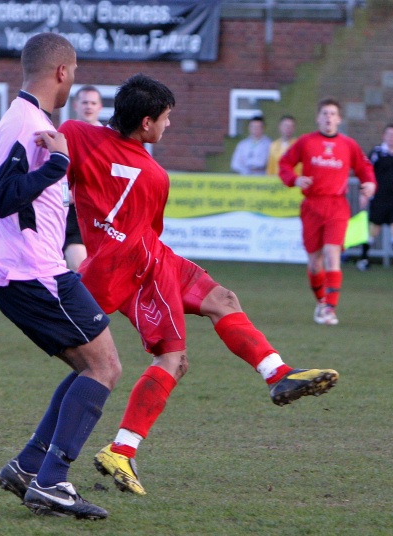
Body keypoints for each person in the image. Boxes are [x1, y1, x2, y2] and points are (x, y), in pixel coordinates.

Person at [58, 75, 339, 497]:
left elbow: (53, 150)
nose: (170, 126)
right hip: (138, 269)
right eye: (167, 118)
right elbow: (144, 229)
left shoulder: (76, 133)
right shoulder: (153, 176)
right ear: (147, 122)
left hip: (152, 256)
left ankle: (277, 374)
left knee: (224, 299)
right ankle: (121, 450)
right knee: (173, 359)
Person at [0, 33, 121, 520]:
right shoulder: (28, 123)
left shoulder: (22, 119)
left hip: (21, 271)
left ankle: (29, 467)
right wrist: (58, 164)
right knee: (105, 367)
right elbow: (2, 197)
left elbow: (5, 207)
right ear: (61, 71)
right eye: (73, 70)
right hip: (37, 274)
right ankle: (52, 480)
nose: (75, 79)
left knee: (90, 367)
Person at [279, 97, 377, 325]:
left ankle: (330, 309)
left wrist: (370, 184)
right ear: (318, 117)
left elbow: (364, 168)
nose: (328, 117)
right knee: (314, 263)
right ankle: (321, 302)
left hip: (336, 205)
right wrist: (294, 179)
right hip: (312, 205)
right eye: (324, 113)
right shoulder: (306, 142)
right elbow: (284, 164)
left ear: (339, 119)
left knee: (333, 255)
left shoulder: (348, 144)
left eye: (333, 114)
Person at [357, 123, 393, 273]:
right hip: (379, 198)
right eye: (389, 135)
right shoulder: (376, 153)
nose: (391, 138)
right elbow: (365, 172)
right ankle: (363, 259)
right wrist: (364, 193)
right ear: (383, 136)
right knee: (373, 230)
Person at [64, 85, 104, 272]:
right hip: (74, 214)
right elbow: (56, 171)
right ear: (75, 105)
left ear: (100, 107)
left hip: (102, 213)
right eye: (85, 102)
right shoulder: (65, 135)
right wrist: (66, 194)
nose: (89, 106)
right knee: (81, 271)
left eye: (93, 103)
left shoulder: (109, 139)